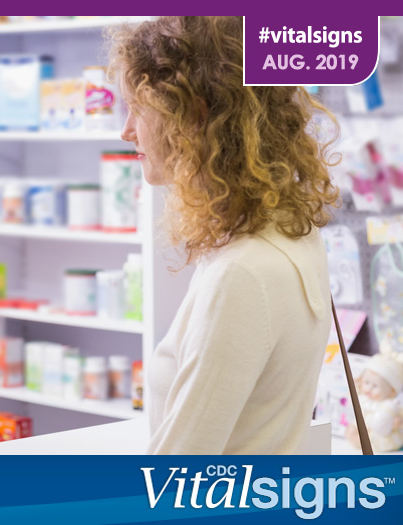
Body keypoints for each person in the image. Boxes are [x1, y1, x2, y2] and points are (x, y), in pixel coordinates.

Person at [108, 16, 340, 453]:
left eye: (138, 109)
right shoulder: (289, 235)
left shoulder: (242, 273)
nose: (126, 131)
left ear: (192, 115)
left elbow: (175, 478)